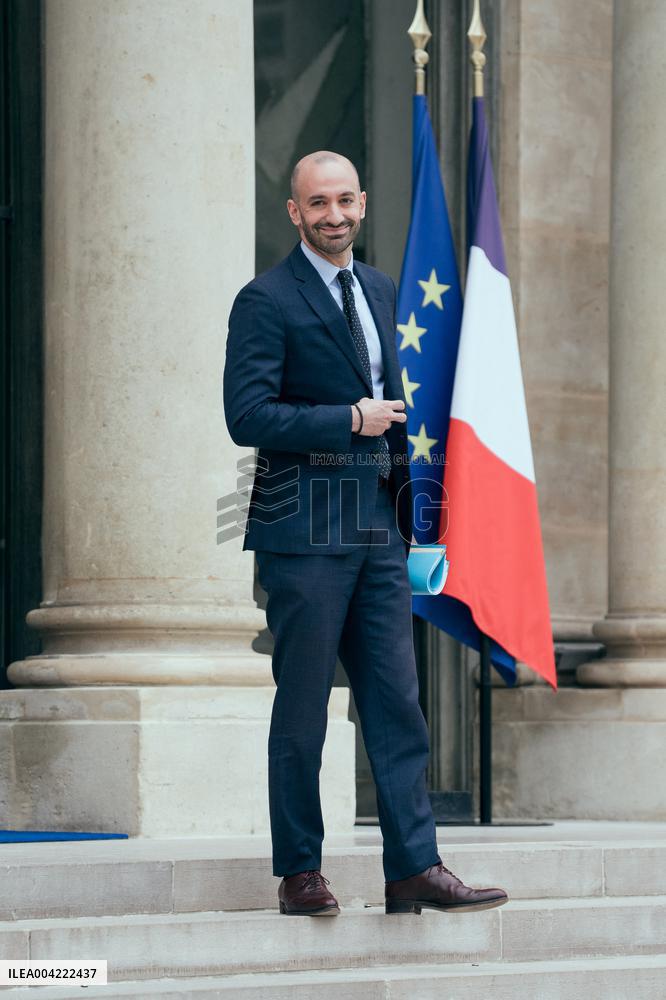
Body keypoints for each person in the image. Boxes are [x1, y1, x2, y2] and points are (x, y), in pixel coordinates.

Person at [223, 150, 508, 917]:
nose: (334, 215)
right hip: (303, 530)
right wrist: (349, 419)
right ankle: (300, 872)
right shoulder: (265, 299)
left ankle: (414, 866)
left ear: (362, 201)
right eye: (318, 203)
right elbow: (245, 415)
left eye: (345, 199)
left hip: (378, 529)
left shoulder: (379, 288)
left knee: (396, 704)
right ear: (294, 212)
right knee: (305, 707)